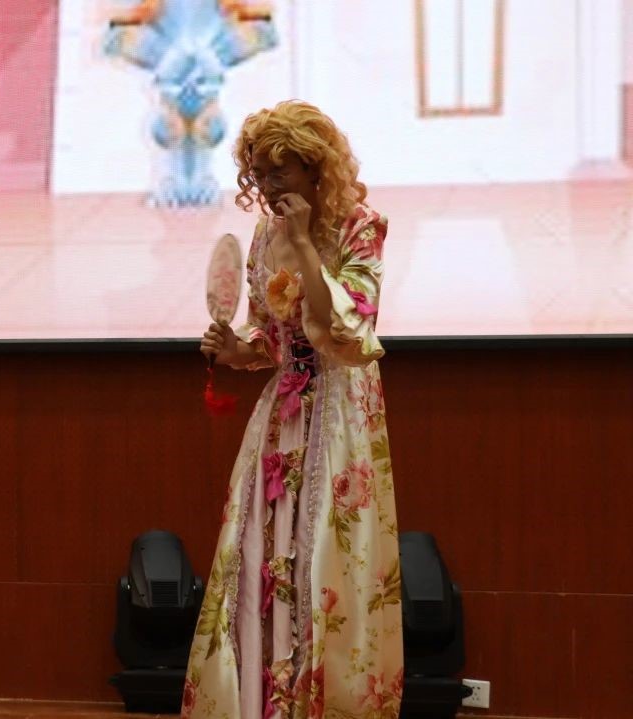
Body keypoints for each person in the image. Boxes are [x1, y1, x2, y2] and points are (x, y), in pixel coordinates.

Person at [183, 101, 402, 718]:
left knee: (329, 553)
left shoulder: (360, 226)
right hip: (281, 416)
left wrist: (304, 243)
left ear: (314, 167)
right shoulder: (262, 237)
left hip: (341, 412)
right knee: (259, 548)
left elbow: (349, 332)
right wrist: (236, 350)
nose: (268, 185)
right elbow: (271, 341)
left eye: (279, 171)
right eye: (259, 173)